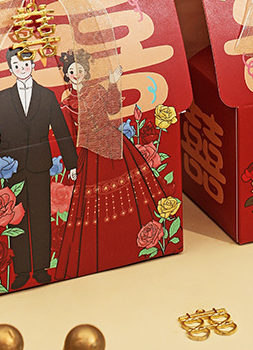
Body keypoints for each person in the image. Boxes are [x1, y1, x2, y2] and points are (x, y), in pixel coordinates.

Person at [0, 47, 78, 290]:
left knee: (41, 216)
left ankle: (41, 268)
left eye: (26, 64)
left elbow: (61, 130)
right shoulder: (1, 98)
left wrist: (72, 164)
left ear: (33, 65)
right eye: (17, 66)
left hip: (40, 165)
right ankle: (21, 270)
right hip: (11, 167)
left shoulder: (47, 96)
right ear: (11, 69)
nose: (22, 69)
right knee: (14, 218)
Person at [53, 49, 172, 280]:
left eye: (79, 69)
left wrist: (113, 83)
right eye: (71, 71)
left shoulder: (97, 90)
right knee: (94, 204)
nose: (76, 74)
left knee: (130, 193)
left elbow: (113, 109)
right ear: (66, 75)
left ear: (86, 72)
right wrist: (72, 164)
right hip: (88, 151)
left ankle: (136, 239)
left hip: (112, 142)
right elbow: (70, 134)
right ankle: (103, 248)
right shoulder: (66, 103)